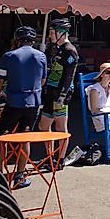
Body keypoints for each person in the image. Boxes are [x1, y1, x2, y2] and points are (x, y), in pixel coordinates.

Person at [0, 26, 47, 188]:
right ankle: (20, 175)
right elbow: (43, 81)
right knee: (25, 137)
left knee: (1, 138)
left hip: (14, 102)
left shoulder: (8, 56)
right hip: (33, 103)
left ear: (17, 39)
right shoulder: (41, 56)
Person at [39, 18, 78, 163]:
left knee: (60, 128)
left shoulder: (70, 50)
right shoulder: (58, 49)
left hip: (61, 94)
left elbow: (69, 74)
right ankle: (49, 157)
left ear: (61, 33)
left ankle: (60, 159)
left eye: (52, 33)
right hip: (51, 91)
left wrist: (63, 94)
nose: (50, 36)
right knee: (43, 126)